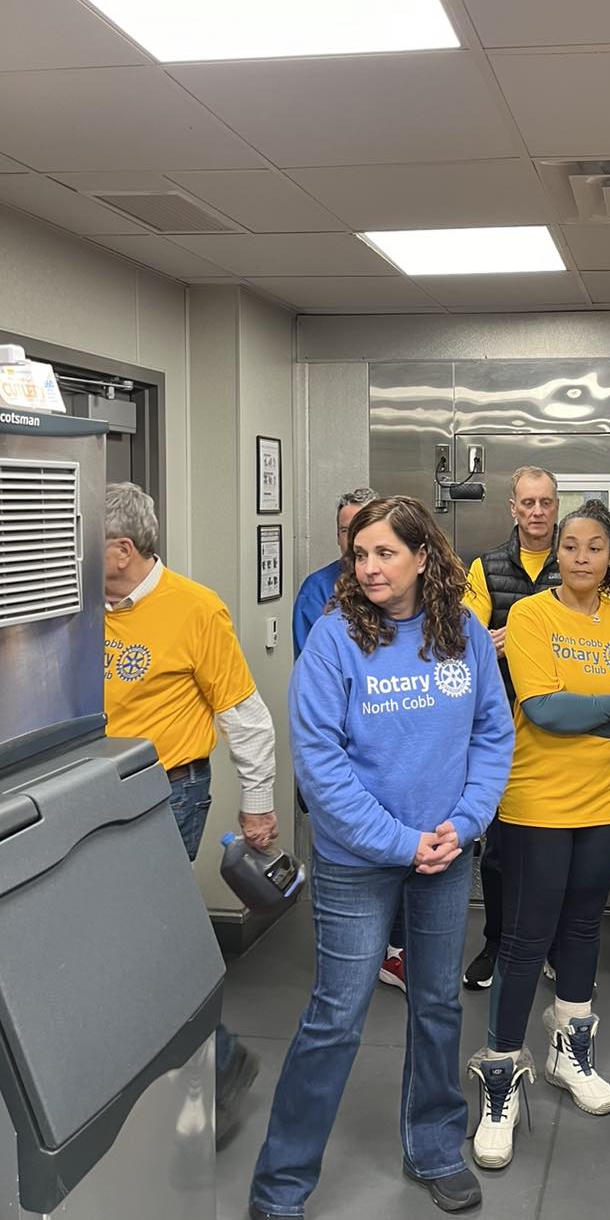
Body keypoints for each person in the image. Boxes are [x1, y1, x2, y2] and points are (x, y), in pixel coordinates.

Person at [249, 496, 513, 1219]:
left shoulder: (462, 633)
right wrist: (400, 841)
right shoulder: (334, 637)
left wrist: (466, 822)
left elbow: (493, 735)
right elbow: (320, 764)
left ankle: (435, 1148)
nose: (368, 567)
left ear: (423, 557)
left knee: (437, 1004)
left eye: (385, 553)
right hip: (356, 863)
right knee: (336, 1016)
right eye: (359, 554)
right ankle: (280, 1186)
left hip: (445, 854)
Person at [469, 500, 610, 1172]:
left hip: (608, 801)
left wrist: (602, 713)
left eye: (595, 546)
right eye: (571, 545)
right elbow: (545, 711)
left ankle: (568, 1051)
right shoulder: (531, 616)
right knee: (527, 936)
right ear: (557, 553)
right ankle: (500, 1072)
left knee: (583, 925)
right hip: (537, 800)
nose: (582, 556)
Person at [103, 481, 277, 1148]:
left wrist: (257, 807)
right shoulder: (79, 607)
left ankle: (219, 1061)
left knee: (144, 938)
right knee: (125, 939)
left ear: (122, 549)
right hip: (92, 794)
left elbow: (246, 718)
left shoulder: (196, 609)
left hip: (166, 793)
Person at [292, 486, 405, 995]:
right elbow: (319, 682)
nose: (360, 550)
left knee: (399, 858)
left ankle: (395, 952)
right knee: (346, 863)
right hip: (343, 761)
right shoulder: (317, 591)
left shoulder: (413, 601)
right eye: (348, 534)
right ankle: (350, 954)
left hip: (395, 762)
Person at [461, 466, 561, 991]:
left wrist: (511, 637)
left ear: (557, 506)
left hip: (562, 728)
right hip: (502, 727)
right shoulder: (486, 567)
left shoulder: (575, 562)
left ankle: (553, 947)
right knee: (499, 849)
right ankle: (497, 942)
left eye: (546, 502)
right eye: (528, 502)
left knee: (556, 849)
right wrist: (492, 643)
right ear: (513, 508)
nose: (537, 511)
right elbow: (465, 637)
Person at [292, 487, 377, 656]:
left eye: (362, 528)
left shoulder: (396, 582)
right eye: (345, 531)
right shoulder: (316, 590)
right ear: (338, 537)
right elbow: (312, 661)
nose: (353, 538)